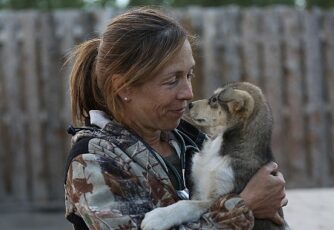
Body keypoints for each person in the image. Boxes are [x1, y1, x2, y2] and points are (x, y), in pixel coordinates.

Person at [64, 7, 287, 230]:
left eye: (189, 74)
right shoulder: (94, 161)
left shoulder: (192, 141)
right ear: (124, 88)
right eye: (172, 80)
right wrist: (243, 206)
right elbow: (249, 203)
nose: (188, 93)